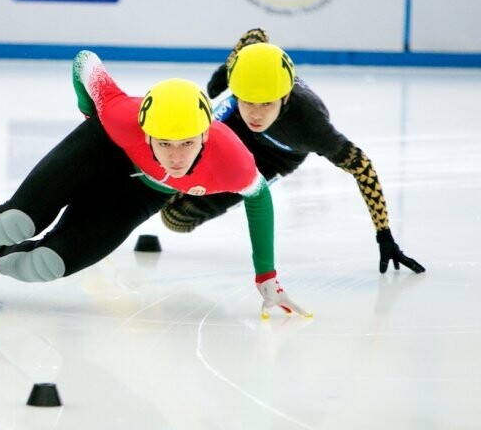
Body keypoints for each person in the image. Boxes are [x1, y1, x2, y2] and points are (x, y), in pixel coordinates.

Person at [0, 50, 311, 319]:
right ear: (145, 128)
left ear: (207, 134)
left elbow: (260, 199)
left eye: (188, 144)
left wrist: (266, 275)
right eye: (165, 142)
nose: (175, 155)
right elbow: (84, 62)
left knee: (46, 265)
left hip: (136, 195)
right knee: (18, 220)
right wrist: (87, 110)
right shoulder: (119, 112)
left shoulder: (230, 158)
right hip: (99, 148)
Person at [161, 30, 425, 275]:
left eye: (266, 104)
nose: (255, 113)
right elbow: (256, 35)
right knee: (165, 173)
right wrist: (231, 65)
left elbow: (362, 167)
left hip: (277, 156)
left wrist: (384, 235)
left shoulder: (311, 126)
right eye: (248, 101)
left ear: (285, 98)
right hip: (233, 125)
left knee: (176, 218)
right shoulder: (239, 81)